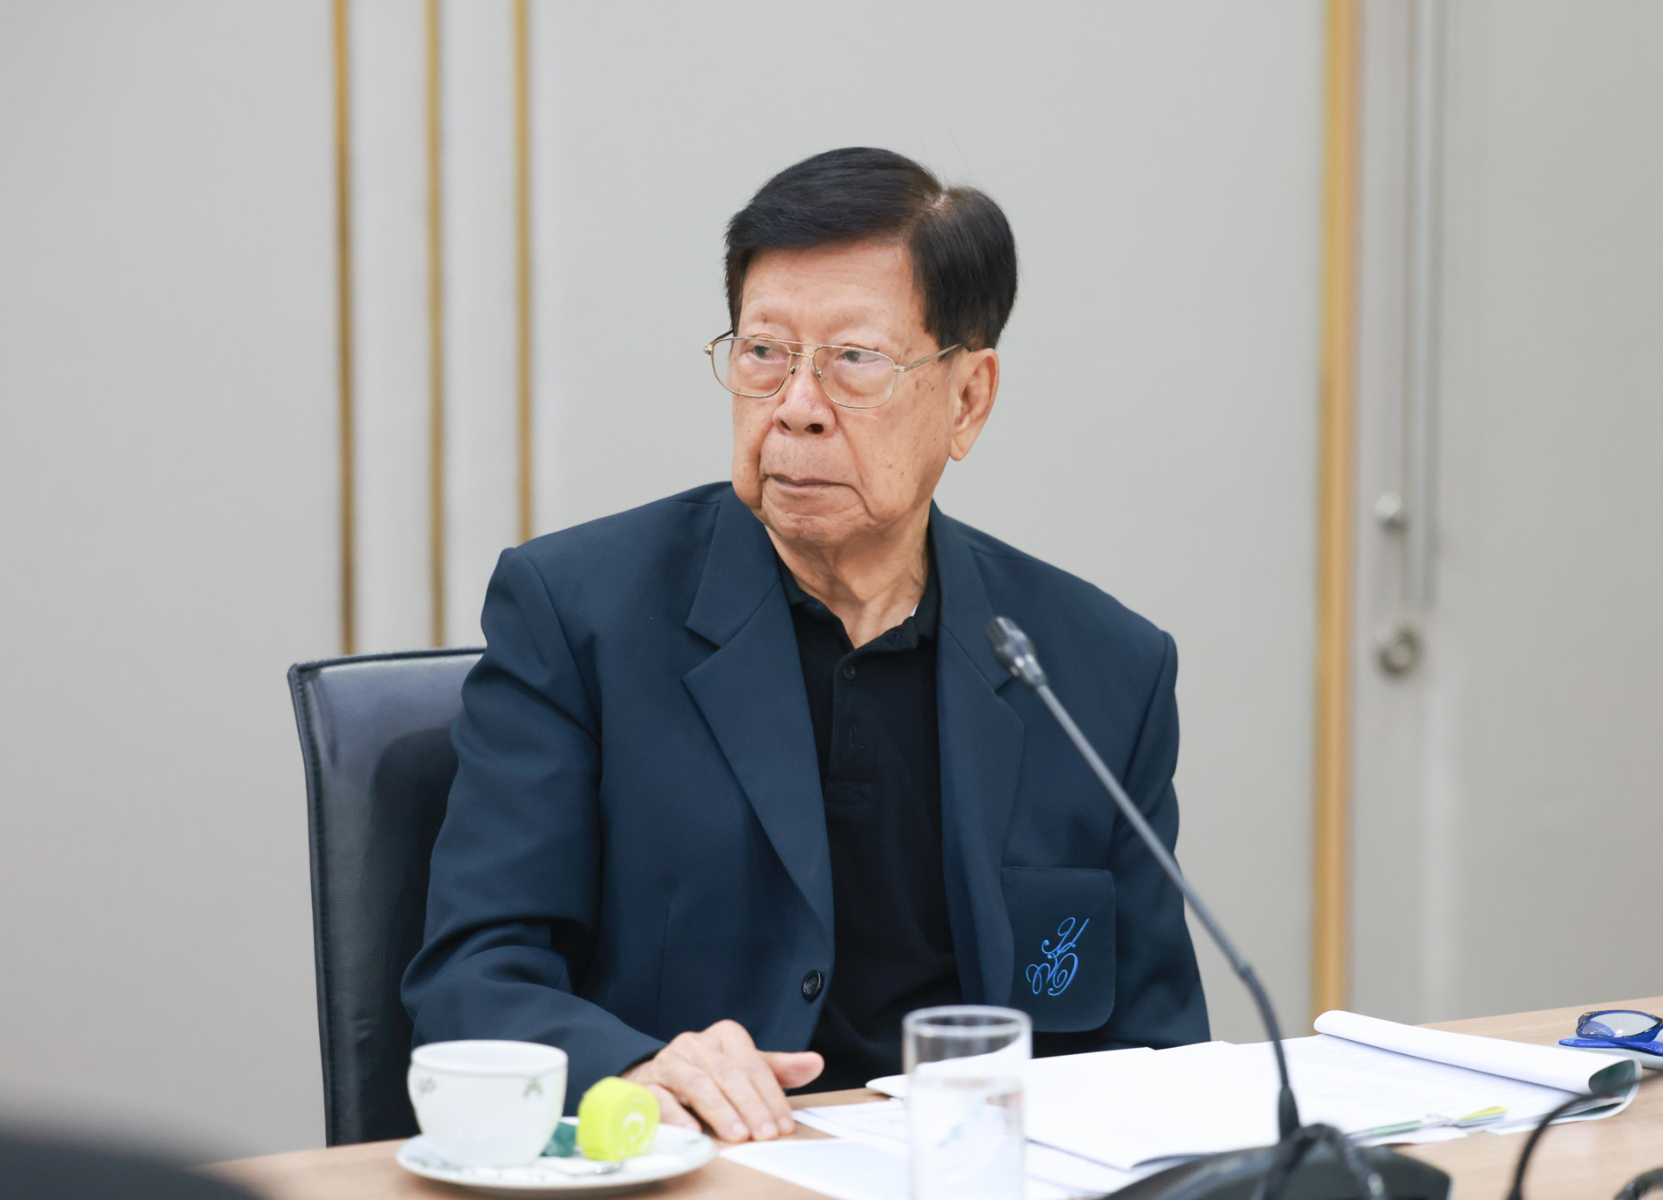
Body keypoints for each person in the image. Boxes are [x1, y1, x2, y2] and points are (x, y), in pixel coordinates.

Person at [402, 146, 1208, 1145]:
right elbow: (472, 981)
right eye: (763, 353)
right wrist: (638, 1068)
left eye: (854, 361)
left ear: (967, 399)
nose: (795, 406)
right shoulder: (577, 616)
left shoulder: (1097, 672)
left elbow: (1156, 1051)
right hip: (699, 1169)